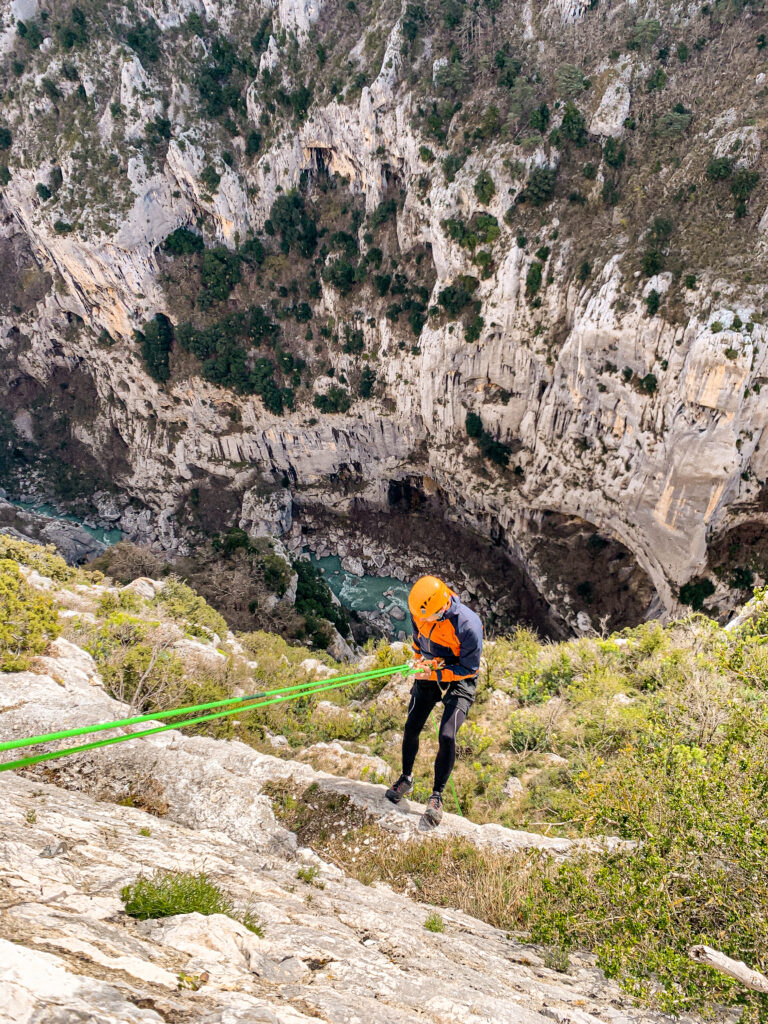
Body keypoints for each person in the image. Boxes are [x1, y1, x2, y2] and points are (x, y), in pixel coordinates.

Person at [385, 575, 483, 826]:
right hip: (431, 666)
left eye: (426, 616)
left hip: (459, 675)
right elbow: (418, 639)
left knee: (447, 735)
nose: (420, 619)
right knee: (412, 726)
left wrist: (436, 672)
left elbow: (469, 669)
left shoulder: (468, 626)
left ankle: (437, 796)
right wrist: (419, 662)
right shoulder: (420, 613)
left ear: (440, 609)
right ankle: (405, 778)